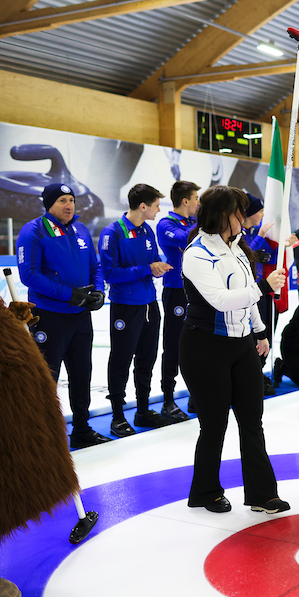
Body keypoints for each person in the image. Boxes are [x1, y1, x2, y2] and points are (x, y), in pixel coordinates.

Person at [180, 185, 290, 515]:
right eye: (239, 212)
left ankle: (262, 493)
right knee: (213, 425)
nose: (244, 219)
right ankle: (205, 491)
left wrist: (259, 332)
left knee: (252, 421)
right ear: (222, 216)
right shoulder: (197, 254)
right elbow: (221, 300)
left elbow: (248, 295)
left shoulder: (238, 247)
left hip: (241, 345)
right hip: (204, 348)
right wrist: (263, 287)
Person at [17, 182, 110, 449]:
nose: (69, 205)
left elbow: (96, 267)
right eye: (62, 201)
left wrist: (99, 292)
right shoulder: (32, 231)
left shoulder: (80, 229)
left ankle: (81, 428)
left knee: (83, 375)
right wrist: (70, 295)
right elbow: (30, 275)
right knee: (46, 379)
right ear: (49, 205)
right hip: (49, 317)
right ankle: (40, 437)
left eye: (71, 200)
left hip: (80, 317)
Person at [99, 183, 173, 437]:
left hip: (150, 304)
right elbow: (109, 273)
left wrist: (157, 267)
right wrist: (147, 269)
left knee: (147, 359)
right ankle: (117, 417)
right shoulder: (113, 233)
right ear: (143, 206)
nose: (158, 210)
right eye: (156, 205)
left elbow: (151, 261)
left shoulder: (147, 230)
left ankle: (142, 410)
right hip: (125, 307)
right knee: (121, 360)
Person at [156, 180, 200, 422]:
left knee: (197, 346)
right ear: (185, 201)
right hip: (175, 291)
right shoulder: (166, 224)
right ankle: (168, 400)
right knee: (173, 345)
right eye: (196, 199)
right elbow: (188, 239)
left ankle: (195, 395)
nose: (199, 204)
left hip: (197, 290)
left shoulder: (193, 223)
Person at [240, 194, 278, 395]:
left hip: (258, 291)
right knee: (252, 336)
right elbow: (244, 254)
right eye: (260, 211)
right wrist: (261, 236)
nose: (262, 214)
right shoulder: (243, 233)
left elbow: (256, 255)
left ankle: (257, 372)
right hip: (245, 293)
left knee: (264, 332)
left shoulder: (250, 231)